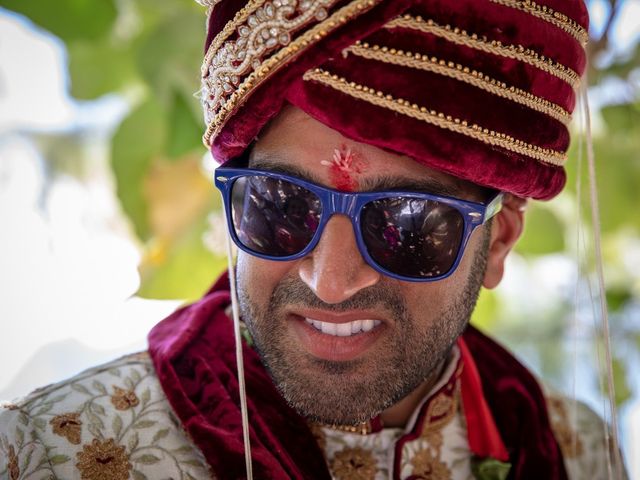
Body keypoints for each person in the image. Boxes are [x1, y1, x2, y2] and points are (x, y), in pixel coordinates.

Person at [0, 0, 627, 479]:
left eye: (405, 224)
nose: (328, 279)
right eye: (279, 205)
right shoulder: (50, 451)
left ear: (497, 245)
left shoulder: (581, 452)